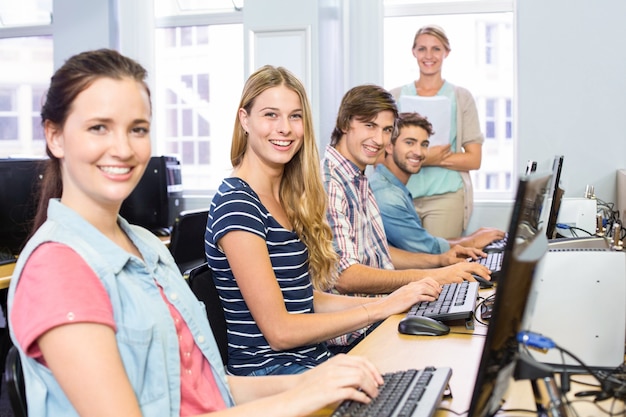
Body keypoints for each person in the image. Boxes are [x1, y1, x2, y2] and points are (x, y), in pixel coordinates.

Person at [7, 49, 395, 417]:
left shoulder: (143, 245)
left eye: (138, 129)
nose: (123, 148)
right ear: (54, 136)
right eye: (98, 128)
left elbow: (206, 390)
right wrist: (302, 395)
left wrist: (317, 379)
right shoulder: (58, 270)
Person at [205, 65, 442, 373]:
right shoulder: (238, 204)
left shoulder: (286, 198)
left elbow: (306, 300)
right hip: (272, 374)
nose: (285, 128)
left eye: (295, 116)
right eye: (270, 115)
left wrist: (398, 301)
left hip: (311, 363)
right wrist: (379, 307)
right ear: (245, 120)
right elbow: (280, 332)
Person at [321, 84, 491, 339]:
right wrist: (435, 276)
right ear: (345, 123)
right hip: (356, 332)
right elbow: (345, 276)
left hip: (379, 314)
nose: (379, 140)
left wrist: (439, 261)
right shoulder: (331, 183)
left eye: (386, 130)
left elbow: (376, 252)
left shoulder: (357, 176)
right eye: (370, 125)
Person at [389, 24, 484, 239]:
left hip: (446, 197)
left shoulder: (461, 98)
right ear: (413, 52)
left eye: (436, 49)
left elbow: (474, 159)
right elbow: (381, 157)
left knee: (441, 264)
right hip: (401, 197)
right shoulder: (394, 98)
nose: (428, 55)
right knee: (404, 267)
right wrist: (430, 157)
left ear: (446, 52)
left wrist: (418, 158)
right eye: (422, 49)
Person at [370, 112, 505, 254]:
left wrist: (471, 240)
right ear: (389, 147)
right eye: (409, 142)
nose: (419, 152)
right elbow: (425, 249)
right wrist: (472, 241)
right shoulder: (387, 195)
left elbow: (422, 241)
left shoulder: (392, 186)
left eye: (424, 144)